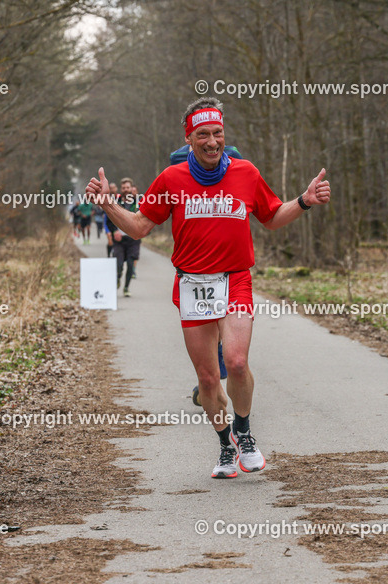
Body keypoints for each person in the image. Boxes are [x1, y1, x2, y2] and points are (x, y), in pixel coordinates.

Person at [87, 97, 330, 479]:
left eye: (218, 133)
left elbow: (271, 217)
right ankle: (225, 445)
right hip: (193, 284)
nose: (213, 141)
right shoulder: (171, 180)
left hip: (235, 279)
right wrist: (107, 204)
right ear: (189, 139)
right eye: (203, 135)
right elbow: (138, 227)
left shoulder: (246, 173)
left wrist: (303, 201)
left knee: (235, 361)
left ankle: (244, 432)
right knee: (206, 379)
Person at [108, 178, 141, 297]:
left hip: (133, 240)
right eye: (123, 188)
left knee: (131, 265)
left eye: (128, 188)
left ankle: (126, 287)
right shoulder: (115, 201)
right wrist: (114, 231)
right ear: (121, 189)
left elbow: (146, 218)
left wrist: (142, 231)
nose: (126, 190)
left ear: (132, 189)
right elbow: (109, 219)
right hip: (119, 240)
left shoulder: (139, 202)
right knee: (119, 264)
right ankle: (117, 279)